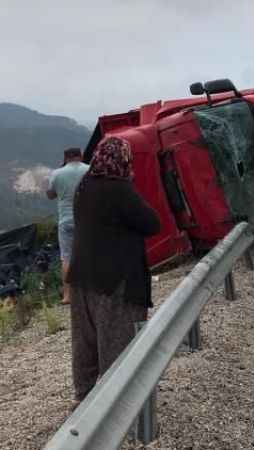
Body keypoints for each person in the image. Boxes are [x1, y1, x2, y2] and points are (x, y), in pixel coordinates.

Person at [67, 136, 161, 403]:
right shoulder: (120, 189)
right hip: (113, 282)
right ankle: (114, 407)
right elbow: (152, 223)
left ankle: (82, 400)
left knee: (84, 344)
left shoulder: (83, 185)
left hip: (81, 277)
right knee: (115, 345)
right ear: (124, 160)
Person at [47, 148, 89, 305]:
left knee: (66, 257)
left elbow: (50, 195)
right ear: (81, 156)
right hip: (86, 218)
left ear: (65, 158)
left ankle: (67, 296)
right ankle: (94, 290)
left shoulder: (57, 173)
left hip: (66, 221)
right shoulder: (89, 169)